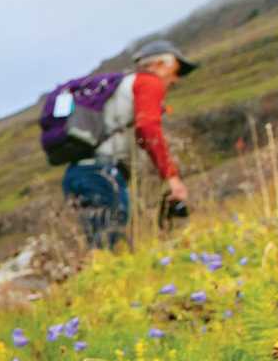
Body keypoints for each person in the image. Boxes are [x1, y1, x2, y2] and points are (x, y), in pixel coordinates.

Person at [63, 39, 196, 250]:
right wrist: (171, 177)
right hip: (103, 173)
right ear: (162, 65)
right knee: (108, 243)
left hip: (79, 173)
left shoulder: (121, 86)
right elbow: (148, 128)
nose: (175, 80)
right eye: (176, 71)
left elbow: (140, 134)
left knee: (98, 244)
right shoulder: (147, 83)